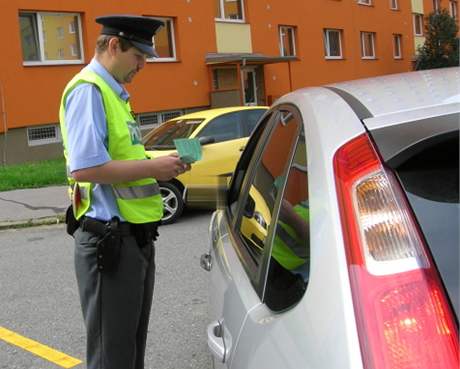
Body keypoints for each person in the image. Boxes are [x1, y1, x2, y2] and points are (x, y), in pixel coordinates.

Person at [58, 15, 190, 369]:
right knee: (112, 358)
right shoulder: (89, 90)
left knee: (127, 353)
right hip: (110, 243)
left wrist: (162, 162)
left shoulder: (113, 93)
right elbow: (84, 168)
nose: (143, 65)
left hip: (132, 240)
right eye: (139, 56)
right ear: (114, 46)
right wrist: (153, 168)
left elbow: (120, 157)